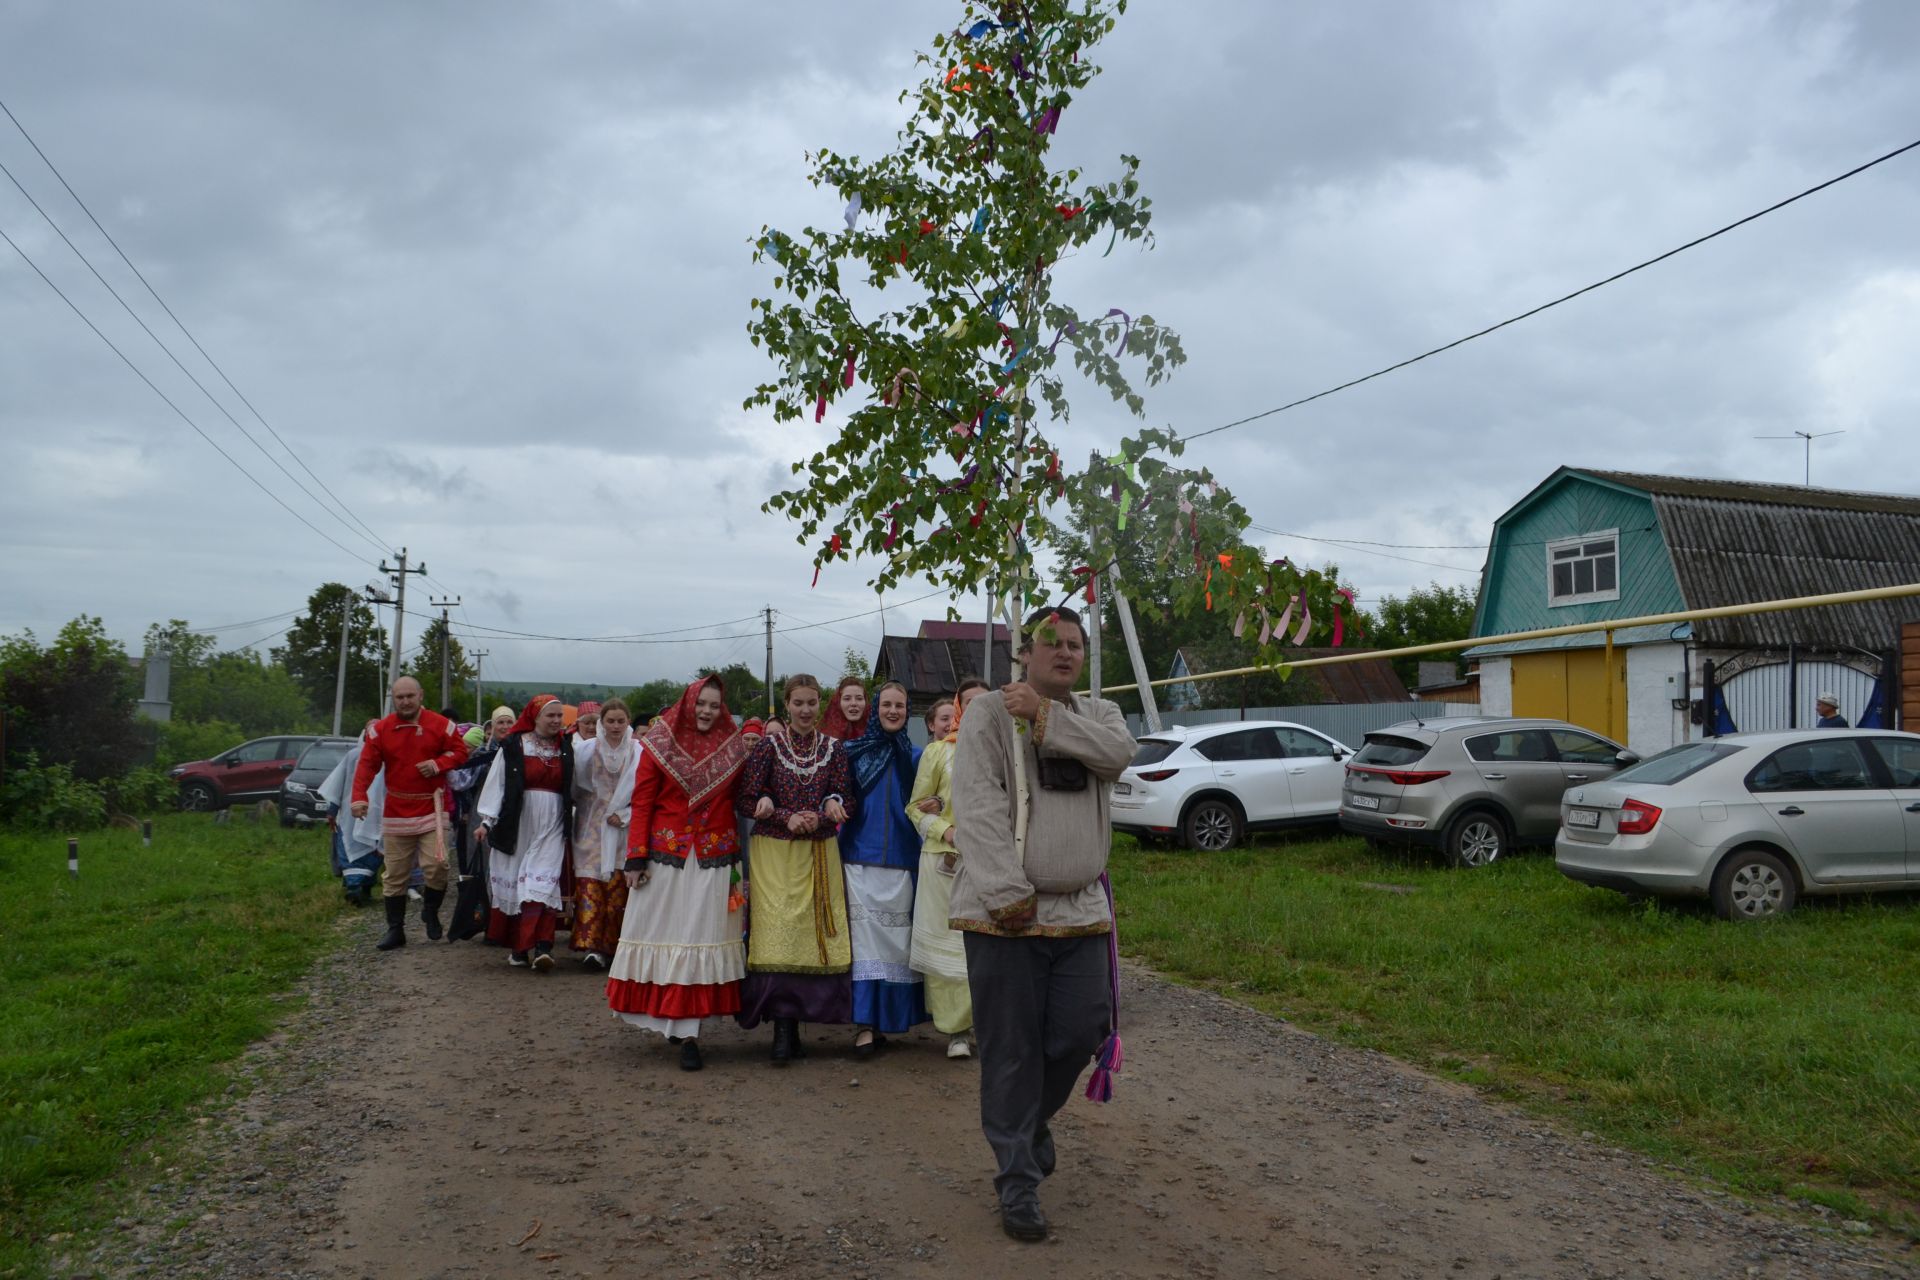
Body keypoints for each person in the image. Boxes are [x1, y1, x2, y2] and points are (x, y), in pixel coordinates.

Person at [951, 607, 1135, 1242]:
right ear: (1023, 653)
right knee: (1011, 1052)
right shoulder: (986, 714)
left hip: (1081, 910)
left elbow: (1119, 757)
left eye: (1074, 643)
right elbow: (976, 805)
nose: (1064, 652)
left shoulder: (1099, 715)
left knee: (1083, 1029)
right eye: (1050, 643)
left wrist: (1046, 716)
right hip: (1004, 912)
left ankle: (1027, 1128)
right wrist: (1005, 892)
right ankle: (1018, 1184)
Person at [606, 676, 763, 1071]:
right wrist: (635, 858)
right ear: (688, 703)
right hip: (666, 856)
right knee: (666, 935)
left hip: (715, 857)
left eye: (714, 705)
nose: (707, 711)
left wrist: (765, 799)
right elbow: (642, 803)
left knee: (700, 936)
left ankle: (690, 1032)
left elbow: (744, 795)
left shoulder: (733, 747)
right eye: (701, 704)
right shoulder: (658, 745)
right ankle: (672, 1020)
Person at [733, 674, 856, 1064]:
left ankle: (799, 1020)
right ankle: (781, 1028)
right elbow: (746, 798)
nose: (805, 710)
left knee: (811, 937)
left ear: (820, 704)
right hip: (774, 852)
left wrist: (829, 809)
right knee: (778, 935)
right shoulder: (767, 747)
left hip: (818, 851)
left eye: (812, 702)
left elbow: (844, 794)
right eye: (798, 703)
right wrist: (782, 814)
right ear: (786, 704)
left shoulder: (834, 749)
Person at [838, 681, 932, 1054]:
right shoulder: (852, 753)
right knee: (863, 946)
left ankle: (891, 1020)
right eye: (887, 705)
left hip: (904, 862)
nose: (893, 711)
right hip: (860, 858)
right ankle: (863, 1025)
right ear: (875, 709)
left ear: (908, 711)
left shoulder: (917, 757)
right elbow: (838, 793)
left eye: (900, 706)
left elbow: (932, 797)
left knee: (897, 946)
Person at [351, 676, 470, 951]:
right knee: (395, 874)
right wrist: (359, 797)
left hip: (432, 805)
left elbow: (461, 752)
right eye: (399, 697)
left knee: (437, 866)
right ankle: (396, 929)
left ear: (420, 695)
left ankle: (430, 911)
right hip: (397, 808)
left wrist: (439, 764)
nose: (405, 701)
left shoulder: (441, 725)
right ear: (393, 698)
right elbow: (366, 766)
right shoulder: (380, 730)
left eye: (409, 696)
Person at [909, 679, 990, 1058]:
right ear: (959, 707)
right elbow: (915, 808)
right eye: (968, 702)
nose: (975, 709)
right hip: (945, 861)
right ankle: (956, 1031)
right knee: (949, 947)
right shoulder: (939, 752)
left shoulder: (1005, 749)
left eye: (983, 702)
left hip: (991, 863)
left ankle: (987, 1026)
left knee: (987, 946)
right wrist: (948, 830)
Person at [475, 694, 575, 971]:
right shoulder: (513, 746)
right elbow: (497, 785)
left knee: (543, 883)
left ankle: (542, 947)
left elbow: (574, 788)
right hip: (518, 823)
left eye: (559, 716)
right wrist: (486, 822)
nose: (556, 721)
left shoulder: (565, 748)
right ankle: (521, 950)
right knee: (521, 885)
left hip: (553, 823)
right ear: (535, 717)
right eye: (550, 716)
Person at [571, 698, 639, 969]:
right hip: (592, 827)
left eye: (620, 721)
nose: (615, 726)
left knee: (617, 890)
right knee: (590, 885)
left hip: (623, 829)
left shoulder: (638, 751)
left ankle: (615, 946)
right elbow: (576, 788)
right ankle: (591, 947)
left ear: (628, 722)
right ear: (601, 722)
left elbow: (644, 792)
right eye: (610, 721)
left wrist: (626, 814)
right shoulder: (586, 750)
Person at [319, 720, 384, 905]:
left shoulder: (387, 757)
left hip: (374, 814)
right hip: (353, 813)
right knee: (351, 849)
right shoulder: (353, 756)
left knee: (370, 851)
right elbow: (338, 783)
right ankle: (355, 888)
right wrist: (332, 810)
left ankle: (362, 889)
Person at [820, 675, 869, 741]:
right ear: (838, 703)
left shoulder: (876, 733)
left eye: (859, 698)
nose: (853, 703)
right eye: (847, 699)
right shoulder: (825, 739)